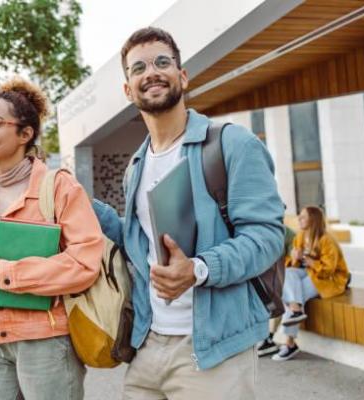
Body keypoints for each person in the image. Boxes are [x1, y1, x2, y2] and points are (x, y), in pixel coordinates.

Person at [92, 27, 285, 399]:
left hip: (213, 350)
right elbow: (139, 246)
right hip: (149, 346)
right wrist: (86, 206)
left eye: (162, 62)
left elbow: (266, 237)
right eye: (138, 68)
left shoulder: (231, 144)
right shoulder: (136, 164)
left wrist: (198, 269)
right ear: (128, 90)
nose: (151, 72)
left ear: (182, 76)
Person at [0, 77, 104, 399]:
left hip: (48, 343)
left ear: (25, 134)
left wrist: (6, 273)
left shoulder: (60, 188)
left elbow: (85, 263)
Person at [272, 206, 349, 361]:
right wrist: (295, 257)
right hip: (309, 274)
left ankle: (290, 343)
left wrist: (308, 261)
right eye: (299, 216)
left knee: (294, 296)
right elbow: (291, 266)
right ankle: (296, 309)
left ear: (313, 220)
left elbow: (328, 270)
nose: (299, 219)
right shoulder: (301, 236)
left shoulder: (327, 240)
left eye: (303, 217)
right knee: (288, 275)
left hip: (329, 279)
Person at [257, 224, 296, 357]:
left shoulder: (287, 232)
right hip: (273, 275)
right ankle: (266, 337)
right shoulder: (260, 230)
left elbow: (293, 257)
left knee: (279, 298)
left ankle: (272, 338)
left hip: (287, 275)